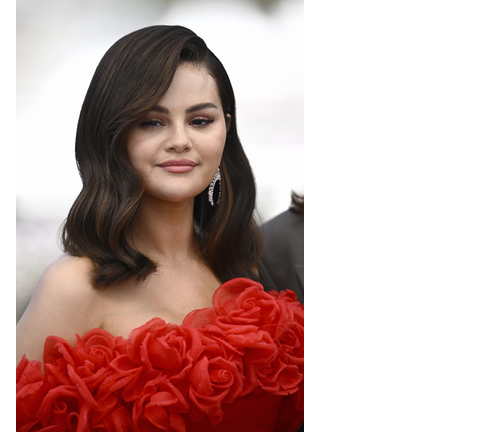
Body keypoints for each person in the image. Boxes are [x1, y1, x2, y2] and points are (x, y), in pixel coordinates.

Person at [16, 25, 303, 432]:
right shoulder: (74, 285)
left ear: (225, 129)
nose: (180, 141)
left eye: (200, 120)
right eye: (153, 122)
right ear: (112, 135)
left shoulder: (244, 268)